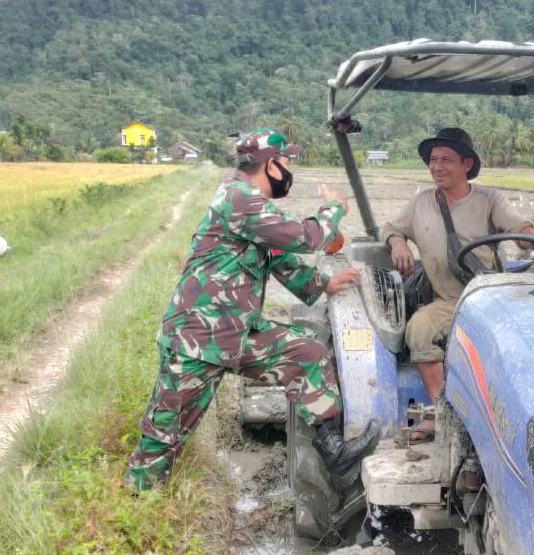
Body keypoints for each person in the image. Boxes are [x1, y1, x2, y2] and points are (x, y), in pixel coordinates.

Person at [127, 128, 380, 492]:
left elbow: (278, 256)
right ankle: (140, 503)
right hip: (196, 338)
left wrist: (323, 285)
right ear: (270, 164)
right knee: (165, 435)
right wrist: (335, 206)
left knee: (307, 354)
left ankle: (335, 451)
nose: (291, 170)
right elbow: (304, 237)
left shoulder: (250, 205)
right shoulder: (239, 199)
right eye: (288, 162)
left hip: (235, 333)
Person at [381, 126, 534, 440]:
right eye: (433, 160)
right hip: (448, 301)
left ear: (467, 165)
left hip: (486, 297)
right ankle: (440, 413)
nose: (437, 167)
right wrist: (398, 244)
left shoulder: (490, 200)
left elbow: (520, 228)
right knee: (419, 328)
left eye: (446, 159)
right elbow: (391, 227)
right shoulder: (421, 203)